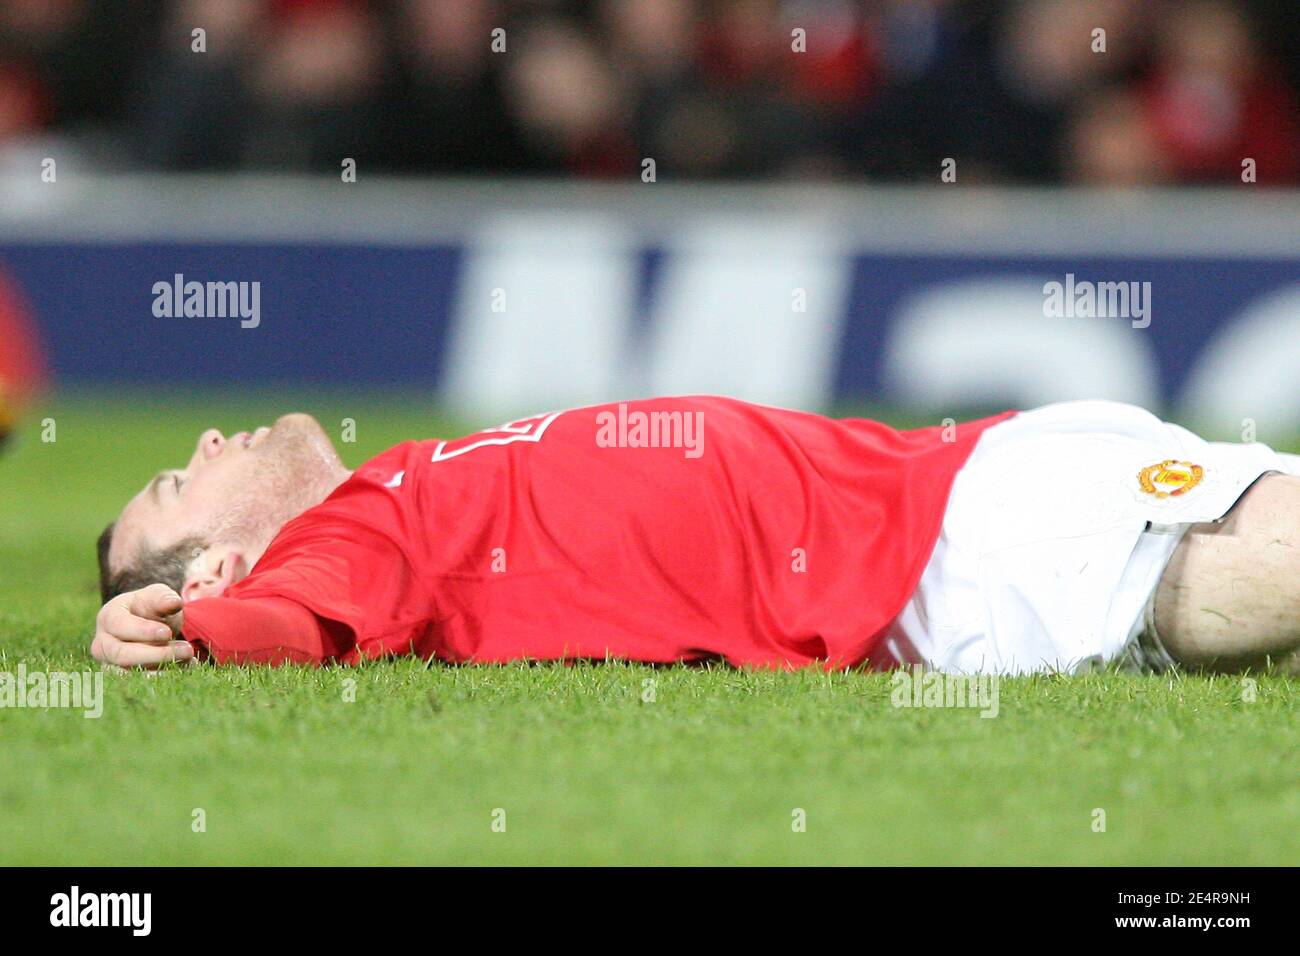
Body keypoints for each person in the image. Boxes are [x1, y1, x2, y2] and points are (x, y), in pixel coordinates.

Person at [92, 396, 1300, 675]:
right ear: (217, 560)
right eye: (174, 482)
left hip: (937, 470)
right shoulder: (346, 549)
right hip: (929, 557)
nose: (202, 442)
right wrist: (177, 629)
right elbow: (280, 626)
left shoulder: (399, 480)